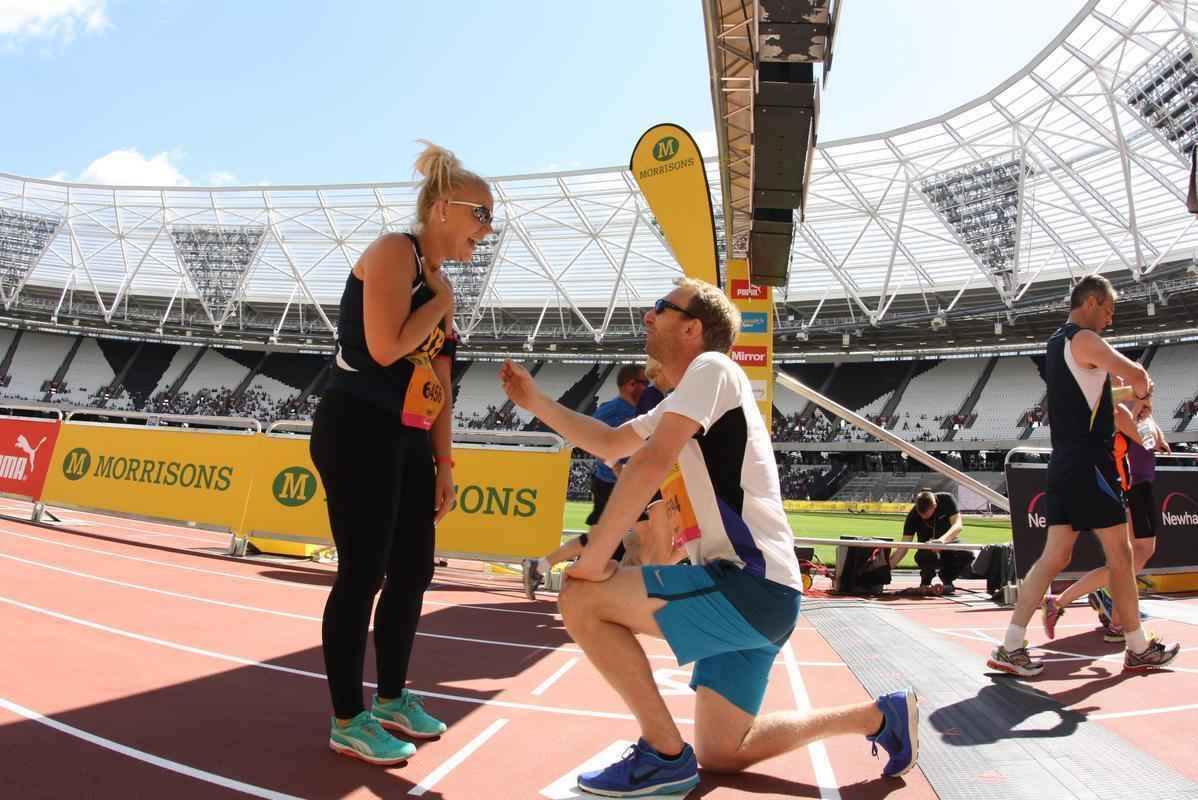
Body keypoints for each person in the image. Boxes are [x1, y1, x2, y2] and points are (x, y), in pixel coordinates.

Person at [501, 278, 917, 797]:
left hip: (749, 586)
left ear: (692, 327)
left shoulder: (712, 368)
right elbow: (610, 442)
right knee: (724, 751)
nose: (648, 317)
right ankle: (879, 716)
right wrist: (536, 400)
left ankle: (663, 753)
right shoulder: (692, 394)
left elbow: (650, 462)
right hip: (765, 595)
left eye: (660, 307)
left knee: (581, 597)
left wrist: (593, 561)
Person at [309, 141, 494, 765]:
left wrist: (445, 464)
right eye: (480, 215)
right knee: (364, 572)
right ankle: (346, 717)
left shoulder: (441, 284)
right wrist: (439, 303)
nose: (486, 231)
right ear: (443, 208)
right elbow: (386, 348)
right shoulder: (395, 252)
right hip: (356, 426)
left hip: (409, 435)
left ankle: (390, 699)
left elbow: (438, 383)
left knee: (414, 570)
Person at [987, 274, 1179, 677]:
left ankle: (1010, 645)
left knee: (1055, 556)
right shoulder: (1087, 339)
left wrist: (1133, 396)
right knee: (1122, 554)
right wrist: (1144, 391)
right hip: (1092, 464)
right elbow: (1137, 375)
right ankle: (1137, 646)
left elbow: (1100, 396)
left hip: (1065, 462)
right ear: (1091, 302)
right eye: (1108, 311)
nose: (1110, 320)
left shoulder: (1058, 343)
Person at [521, 359, 675, 600]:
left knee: (636, 537)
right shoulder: (615, 409)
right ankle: (563, 575)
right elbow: (597, 441)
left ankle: (554, 569)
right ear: (629, 385)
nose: (645, 386)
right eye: (642, 383)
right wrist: (617, 469)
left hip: (631, 482)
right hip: (614, 484)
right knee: (617, 536)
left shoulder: (641, 404)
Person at [1041, 406, 1170, 641]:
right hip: (1132, 488)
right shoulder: (1121, 412)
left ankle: (1114, 618)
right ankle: (1072, 605)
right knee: (1130, 559)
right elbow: (1150, 441)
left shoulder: (1140, 414)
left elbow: (1160, 440)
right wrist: (1145, 419)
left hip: (1142, 486)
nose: (1149, 394)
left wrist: (1148, 415)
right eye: (1144, 389)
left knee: (1132, 559)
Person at [888, 490, 969, 595]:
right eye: (920, 514)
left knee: (967, 553)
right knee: (925, 554)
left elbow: (958, 525)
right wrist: (885, 570)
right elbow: (903, 547)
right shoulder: (913, 516)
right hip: (926, 550)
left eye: (926, 514)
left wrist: (942, 541)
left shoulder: (947, 500)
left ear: (935, 505)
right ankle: (925, 581)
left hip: (949, 543)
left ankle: (947, 578)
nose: (922, 517)